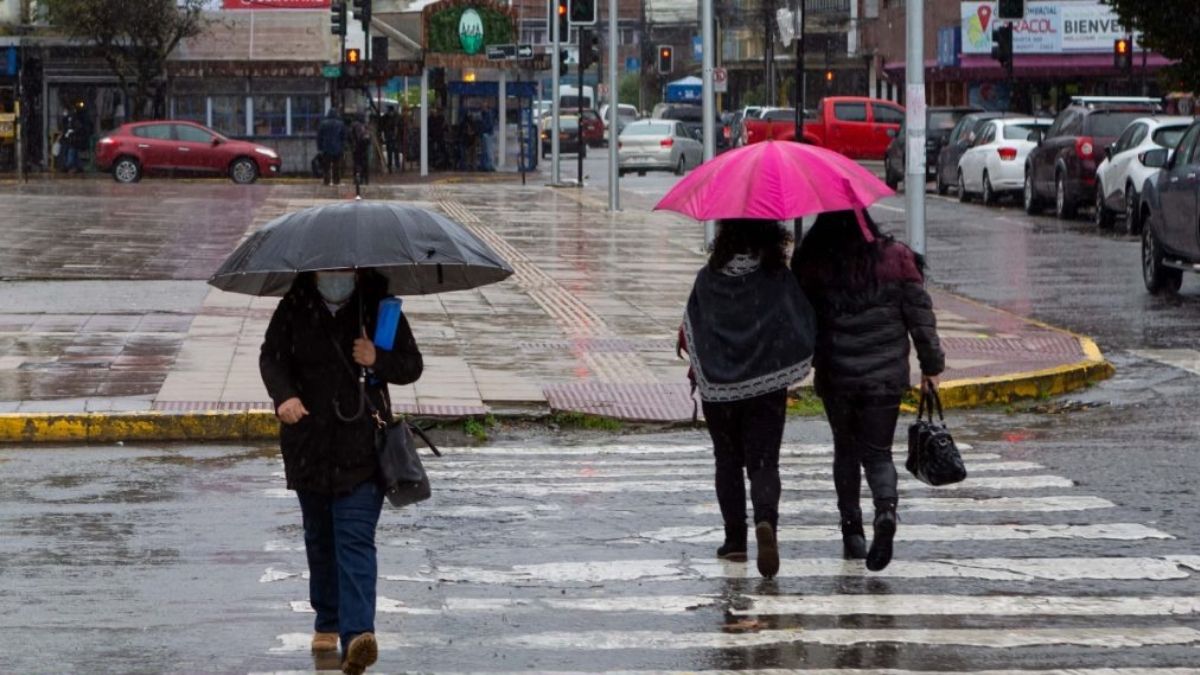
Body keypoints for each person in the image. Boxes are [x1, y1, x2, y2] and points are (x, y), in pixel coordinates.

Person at [259, 269, 423, 675]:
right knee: (320, 538)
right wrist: (285, 397)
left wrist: (377, 358)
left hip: (362, 447)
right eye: (329, 271)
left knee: (354, 538)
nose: (337, 277)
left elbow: (411, 366)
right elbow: (271, 358)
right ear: (313, 272)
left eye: (345, 270)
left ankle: (358, 637)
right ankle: (327, 622)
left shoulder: (379, 308)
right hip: (307, 445)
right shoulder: (294, 306)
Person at [793, 209, 944, 572]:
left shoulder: (814, 263)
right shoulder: (896, 258)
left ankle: (852, 533)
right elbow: (920, 316)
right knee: (878, 454)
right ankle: (886, 511)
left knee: (845, 451)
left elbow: (800, 318)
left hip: (836, 375)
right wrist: (931, 366)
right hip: (884, 377)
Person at [677, 219, 816, 578]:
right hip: (767, 388)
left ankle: (735, 541)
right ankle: (766, 520)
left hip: (719, 391)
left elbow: (691, 327)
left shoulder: (708, 278)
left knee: (727, 461)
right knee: (764, 462)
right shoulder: (775, 277)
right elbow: (800, 322)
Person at [317, 109, 346, 186]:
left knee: (326, 166)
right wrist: (342, 147)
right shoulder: (340, 124)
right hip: (337, 147)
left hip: (326, 147)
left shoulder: (323, 124)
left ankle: (327, 180)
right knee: (336, 165)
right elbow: (343, 137)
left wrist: (320, 147)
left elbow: (319, 137)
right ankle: (336, 181)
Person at [350, 114, 371, 185]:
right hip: (364, 148)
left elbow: (350, 136)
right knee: (365, 163)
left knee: (357, 164)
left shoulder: (353, 125)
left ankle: (357, 179)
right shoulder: (365, 126)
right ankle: (365, 179)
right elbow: (368, 138)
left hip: (356, 147)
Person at [382, 106, 401, 173]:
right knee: (391, 151)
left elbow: (397, 127)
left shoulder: (395, 117)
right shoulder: (387, 117)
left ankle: (396, 165)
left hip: (393, 137)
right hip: (390, 137)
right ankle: (391, 165)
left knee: (395, 151)